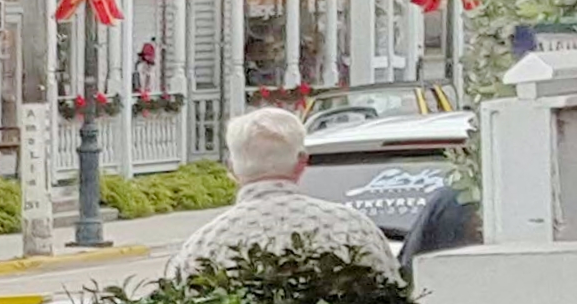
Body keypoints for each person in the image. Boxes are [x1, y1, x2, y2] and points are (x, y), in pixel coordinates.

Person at [173, 105, 405, 276]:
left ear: (232, 169)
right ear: (302, 162)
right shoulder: (353, 229)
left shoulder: (203, 245)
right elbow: (394, 303)